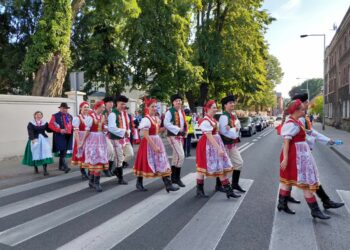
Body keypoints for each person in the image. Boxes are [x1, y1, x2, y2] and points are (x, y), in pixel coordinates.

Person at [289, 93, 344, 209]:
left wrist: (328, 140)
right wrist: (327, 140)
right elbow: (304, 135)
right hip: (300, 153)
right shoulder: (300, 118)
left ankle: (283, 200)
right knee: (310, 178)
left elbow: (310, 132)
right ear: (302, 103)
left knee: (299, 176)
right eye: (307, 101)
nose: (309, 103)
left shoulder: (303, 117)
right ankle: (324, 202)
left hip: (302, 152)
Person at [279, 99, 329, 219]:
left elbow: (307, 134)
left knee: (287, 181)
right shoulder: (291, 124)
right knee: (304, 183)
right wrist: (285, 158)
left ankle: (282, 204)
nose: (304, 110)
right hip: (294, 156)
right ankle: (315, 210)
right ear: (296, 111)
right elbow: (286, 141)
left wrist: (325, 139)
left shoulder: (297, 122)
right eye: (302, 109)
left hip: (298, 155)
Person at [133, 97, 179, 192]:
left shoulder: (156, 118)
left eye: (155, 106)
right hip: (148, 143)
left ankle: (168, 184)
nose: (154, 108)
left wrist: (166, 127)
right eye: (152, 106)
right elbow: (145, 134)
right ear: (148, 107)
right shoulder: (146, 119)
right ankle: (139, 182)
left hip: (157, 140)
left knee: (162, 161)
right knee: (144, 162)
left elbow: (157, 131)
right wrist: (154, 146)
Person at [195, 100, 236, 199]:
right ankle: (201, 190)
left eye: (216, 107)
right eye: (213, 107)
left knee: (218, 166)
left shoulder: (212, 119)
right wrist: (219, 149)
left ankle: (227, 190)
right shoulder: (205, 121)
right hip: (207, 146)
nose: (215, 109)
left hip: (214, 144)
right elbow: (209, 136)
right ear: (208, 109)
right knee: (202, 169)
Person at [216, 94, 244, 196]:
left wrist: (234, 129)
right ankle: (219, 185)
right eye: (230, 103)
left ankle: (235, 184)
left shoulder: (232, 115)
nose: (232, 104)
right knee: (224, 165)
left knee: (239, 162)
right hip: (225, 144)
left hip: (232, 144)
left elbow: (237, 128)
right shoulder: (224, 116)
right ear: (225, 105)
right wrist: (234, 129)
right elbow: (224, 131)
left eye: (233, 102)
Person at [164, 94, 188, 187]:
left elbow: (184, 123)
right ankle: (176, 178)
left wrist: (184, 131)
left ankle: (173, 177)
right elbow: (166, 123)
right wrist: (177, 129)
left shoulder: (182, 111)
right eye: (177, 101)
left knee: (175, 157)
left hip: (179, 136)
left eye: (180, 100)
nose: (179, 102)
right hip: (172, 136)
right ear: (173, 102)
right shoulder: (170, 112)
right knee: (181, 155)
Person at [85, 100, 109, 192]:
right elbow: (87, 131)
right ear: (97, 107)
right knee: (94, 160)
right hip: (93, 139)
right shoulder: (90, 117)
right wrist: (82, 142)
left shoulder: (102, 116)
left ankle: (94, 182)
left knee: (99, 159)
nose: (103, 109)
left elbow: (103, 128)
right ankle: (94, 182)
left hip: (101, 139)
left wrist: (107, 129)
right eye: (102, 107)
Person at [22, 111, 54, 176]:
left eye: (40, 115)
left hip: (44, 140)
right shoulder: (31, 123)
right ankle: (35, 168)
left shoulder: (45, 123)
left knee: (45, 154)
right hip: (35, 139)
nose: (39, 116)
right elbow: (30, 132)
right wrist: (32, 139)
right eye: (37, 115)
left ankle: (45, 170)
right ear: (35, 116)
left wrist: (54, 128)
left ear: (42, 116)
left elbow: (48, 130)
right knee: (35, 153)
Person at [108, 95, 130, 184]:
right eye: (122, 104)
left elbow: (127, 125)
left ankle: (117, 170)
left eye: (124, 104)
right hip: (116, 138)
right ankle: (120, 178)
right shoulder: (113, 114)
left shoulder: (124, 113)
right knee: (119, 158)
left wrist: (127, 131)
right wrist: (123, 131)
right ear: (117, 103)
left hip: (124, 138)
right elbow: (111, 128)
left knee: (130, 153)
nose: (123, 106)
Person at [48, 102, 73, 173]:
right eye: (64, 108)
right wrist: (59, 130)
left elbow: (72, 125)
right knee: (62, 150)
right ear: (60, 108)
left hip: (68, 135)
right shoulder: (55, 116)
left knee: (64, 151)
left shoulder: (70, 116)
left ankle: (60, 166)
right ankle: (65, 167)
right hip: (59, 135)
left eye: (66, 108)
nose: (65, 109)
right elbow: (50, 125)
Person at [71, 101, 93, 180]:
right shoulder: (77, 118)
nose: (86, 109)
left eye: (87, 107)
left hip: (89, 138)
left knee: (89, 154)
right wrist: (78, 142)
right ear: (81, 108)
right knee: (81, 155)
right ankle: (83, 172)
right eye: (85, 107)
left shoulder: (90, 117)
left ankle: (90, 171)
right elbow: (76, 132)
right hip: (80, 137)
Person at [102, 96, 115, 177]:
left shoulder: (114, 112)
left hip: (113, 134)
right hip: (105, 134)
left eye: (112, 102)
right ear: (105, 104)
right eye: (109, 102)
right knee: (109, 150)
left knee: (113, 153)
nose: (111, 104)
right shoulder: (103, 112)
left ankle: (109, 169)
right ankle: (105, 168)